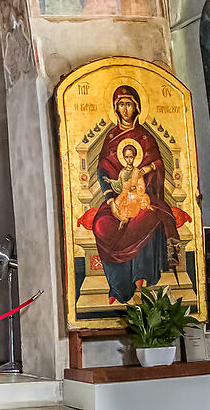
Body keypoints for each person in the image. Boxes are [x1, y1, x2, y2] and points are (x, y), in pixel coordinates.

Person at [78, 84, 187, 303]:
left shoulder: (145, 137)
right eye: (121, 105)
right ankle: (118, 287)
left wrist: (146, 169)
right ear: (116, 108)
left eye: (129, 104)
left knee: (145, 218)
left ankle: (141, 278)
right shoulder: (111, 137)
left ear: (136, 107)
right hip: (118, 198)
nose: (125, 110)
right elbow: (103, 170)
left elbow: (157, 162)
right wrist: (110, 199)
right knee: (102, 224)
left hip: (145, 197)